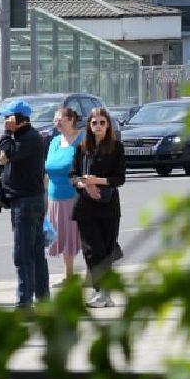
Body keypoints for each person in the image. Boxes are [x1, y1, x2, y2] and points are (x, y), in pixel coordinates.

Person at [0, 99, 50, 308]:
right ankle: (42, 299)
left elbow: (8, 153)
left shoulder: (28, 138)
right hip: (23, 201)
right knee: (33, 253)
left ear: (19, 119)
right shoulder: (22, 136)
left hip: (27, 203)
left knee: (24, 254)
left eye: (8, 118)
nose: (5, 122)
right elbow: (2, 158)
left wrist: (6, 134)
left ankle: (25, 303)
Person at [73, 107, 126, 308]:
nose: (98, 126)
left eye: (102, 122)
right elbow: (73, 174)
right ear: (89, 125)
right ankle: (100, 291)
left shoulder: (116, 148)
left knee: (105, 249)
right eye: (94, 122)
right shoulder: (82, 148)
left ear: (108, 125)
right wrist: (85, 184)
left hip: (108, 207)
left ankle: (105, 294)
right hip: (85, 207)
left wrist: (98, 181)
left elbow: (119, 178)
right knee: (91, 250)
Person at [44, 105, 84, 286]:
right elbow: (47, 170)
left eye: (60, 119)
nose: (56, 122)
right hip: (54, 196)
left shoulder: (81, 140)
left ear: (71, 120)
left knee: (76, 236)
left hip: (74, 196)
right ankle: (69, 275)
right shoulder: (54, 141)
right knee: (61, 236)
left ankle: (90, 274)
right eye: (55, 119)